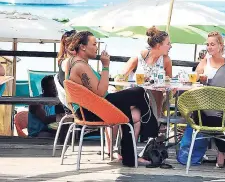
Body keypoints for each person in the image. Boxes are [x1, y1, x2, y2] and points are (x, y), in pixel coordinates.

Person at [66, 31, 157, 167]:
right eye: (94, 44)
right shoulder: (81, 66)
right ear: (83, 47)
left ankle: (130, 158)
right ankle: (152, 130)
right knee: (140, 91)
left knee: (126, 107)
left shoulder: (73, 61)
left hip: (91, 106)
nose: (97, 47)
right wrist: (106, 65)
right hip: (91, 110)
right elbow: (101, 91)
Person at [121, 26, 172, 120]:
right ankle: (154, 122)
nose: (171, 46)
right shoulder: (138, 58)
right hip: (134, 97)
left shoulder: (166, 60)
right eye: (168, 43)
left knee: (157, 91)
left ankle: (155, 121)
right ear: (158, 45)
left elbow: (169, 82)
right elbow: (120, 77)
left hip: (155, 98)